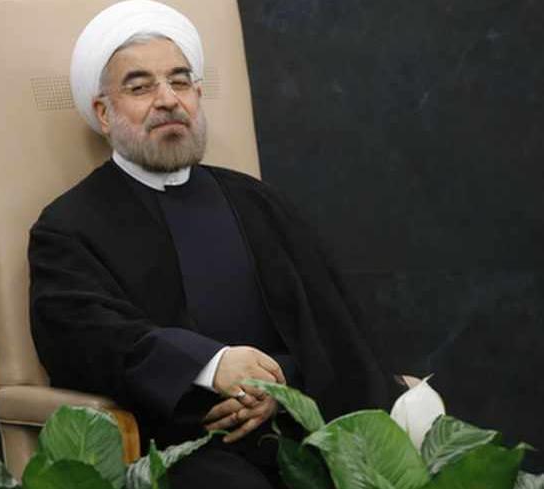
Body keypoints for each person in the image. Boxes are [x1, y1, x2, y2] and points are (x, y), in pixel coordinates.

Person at [28, 1, 406, 487]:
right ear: (103, 112)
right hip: (174, 443)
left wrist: (277, 384)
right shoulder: (68, 226)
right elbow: (85, 338)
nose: (167, 99)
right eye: (140, 86)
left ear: (198, 95)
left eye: (180, 81)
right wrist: (212, 366)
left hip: (295, 427)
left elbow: (327, 328)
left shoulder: (257, 203)